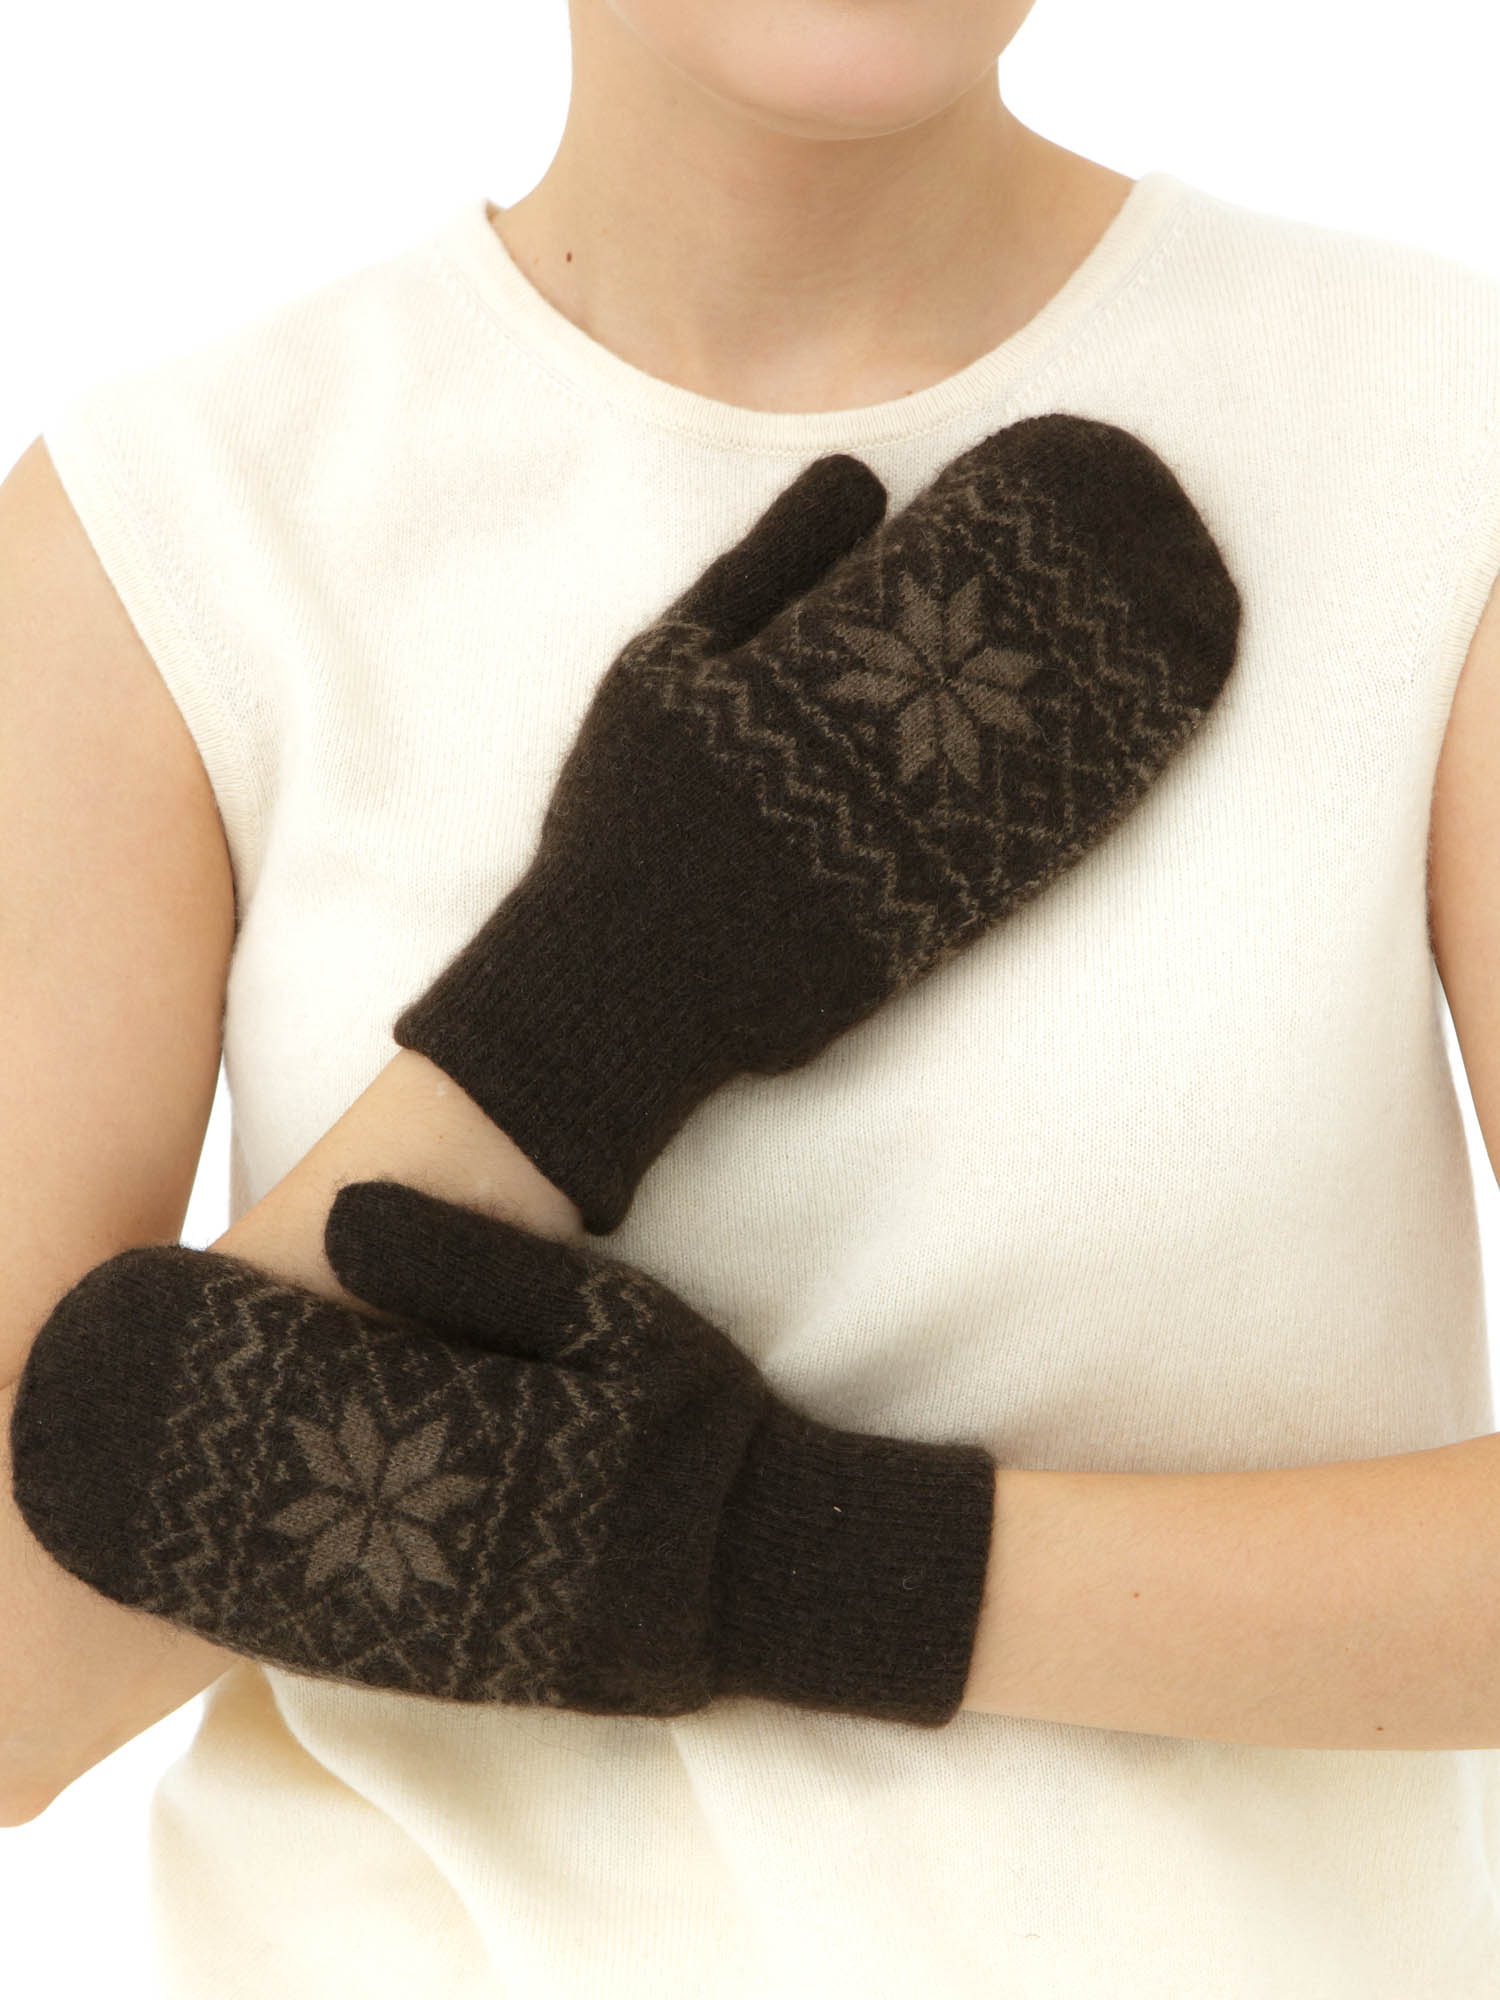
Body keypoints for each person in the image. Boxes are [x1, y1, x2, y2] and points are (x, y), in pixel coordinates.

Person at [3, 0, 1500, 1993]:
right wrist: (591, 1016)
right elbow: (13, 1684)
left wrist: (774, 1563)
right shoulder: (167, 524)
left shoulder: (1438, 429)